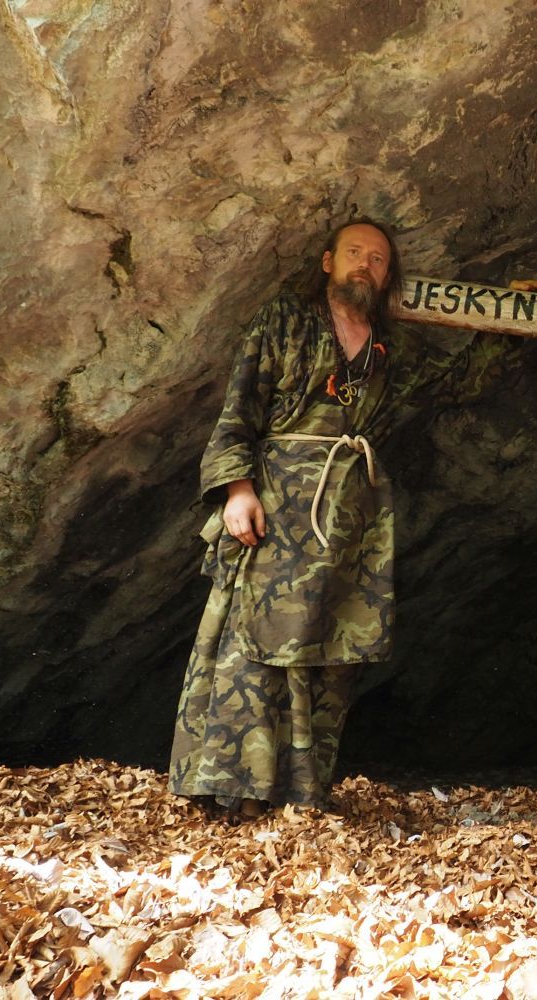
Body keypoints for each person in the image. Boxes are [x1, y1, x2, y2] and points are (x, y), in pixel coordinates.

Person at [169, 218, 412, 816]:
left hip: (351, 517)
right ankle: (233, 790)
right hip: (277, 504)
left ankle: (302, 792)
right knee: (255, 639)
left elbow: (451, 384)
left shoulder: (390, 344)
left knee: (329, 647)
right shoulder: (285, 318)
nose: (366, 265)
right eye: (355, 252)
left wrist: (513, 326)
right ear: (328, 261)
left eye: (378, 259)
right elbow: (240, 405)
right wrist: (237, 491)